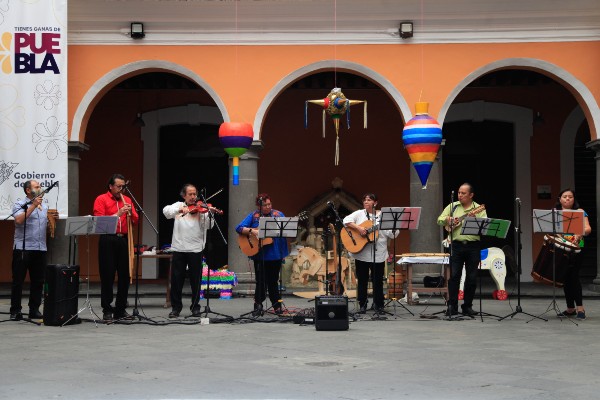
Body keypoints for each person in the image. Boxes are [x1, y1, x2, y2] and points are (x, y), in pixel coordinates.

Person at [162, 184, 215, 318]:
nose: (193, 197)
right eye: (190, 194)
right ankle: (176, 308)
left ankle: (195, 307)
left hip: (196, 248)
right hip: (179, 248)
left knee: (195, 280)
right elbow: (166, 212)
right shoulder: (178, 205)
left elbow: (209, 226)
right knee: (176, 280)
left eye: (194, 194)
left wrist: (208, 214)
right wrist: (180, 209)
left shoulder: (201, 209)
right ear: (184, 195)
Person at [93, 174, 138, 321]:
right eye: (118, 186)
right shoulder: (101, 199)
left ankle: (120, 309)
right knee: (107, 275)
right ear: (110, 186)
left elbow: (136, 220)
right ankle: (107, 309)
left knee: (125, 276)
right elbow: (99, 222)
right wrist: (118, 214)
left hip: (123, 240)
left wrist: (131, 213)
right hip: (108, 239)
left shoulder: (128, 200)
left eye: (123, 186)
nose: (121, 189)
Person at [437, 183, 487, 317]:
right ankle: (452, 306)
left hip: (473, 246)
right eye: (459, 192)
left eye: (463, 193)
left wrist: (474, 219)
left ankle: (467, 306)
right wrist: (447, 219)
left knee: (471, 277)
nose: (460, 195)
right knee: (454, 276)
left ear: (471, 195)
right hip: (456, 245)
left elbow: (485, 226)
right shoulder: (452, 207)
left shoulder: (479, 208)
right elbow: (439, 220)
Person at [343, 193, 398, 313]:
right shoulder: (359, 213)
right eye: (364, 200)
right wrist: (359, 228)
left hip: (378, 253)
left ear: (376, 203)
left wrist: (393, 227)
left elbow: (392, 235)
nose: (366, 202)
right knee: (362, 279)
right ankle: (362, 304)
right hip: (361, 253)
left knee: (377, 280)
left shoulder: (384, 216)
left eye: (369, 200)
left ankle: (378, 304)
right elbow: (346, 220)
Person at [236, 193, 289, 316]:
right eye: (265, 205)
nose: (268, 207)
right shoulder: (254, 216)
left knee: (273, 281)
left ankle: (277, 306)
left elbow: (286, 230)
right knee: (260, 281)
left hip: (275, 254)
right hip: (260, 255)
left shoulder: (278, 215)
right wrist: (253, 231)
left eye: (270, 204)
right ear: (259, 206)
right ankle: (258, 305)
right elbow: (239, 228)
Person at [10, 180, 49, 320]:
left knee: (38, 281)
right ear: (28, 190)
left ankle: (34, 309)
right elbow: (19, 220)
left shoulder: (44, 206)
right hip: (22, 248)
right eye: (37, 186)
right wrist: (33, 205)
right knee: (18, 281)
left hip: (40, 248)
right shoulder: (19, 204)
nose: (40, 188)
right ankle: (15, 310)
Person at [555, 189, 592, 320]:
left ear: (574, 199)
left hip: (577, 247)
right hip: (562, 248)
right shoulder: (555, 213)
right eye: (564, 197)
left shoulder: (580, 212)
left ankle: (580, 308)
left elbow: (588, 228)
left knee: (574, 276)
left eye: (570, 197)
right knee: (565, 278)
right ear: (560, 199)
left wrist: (580, 232)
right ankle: (570, 308)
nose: (567, 199)